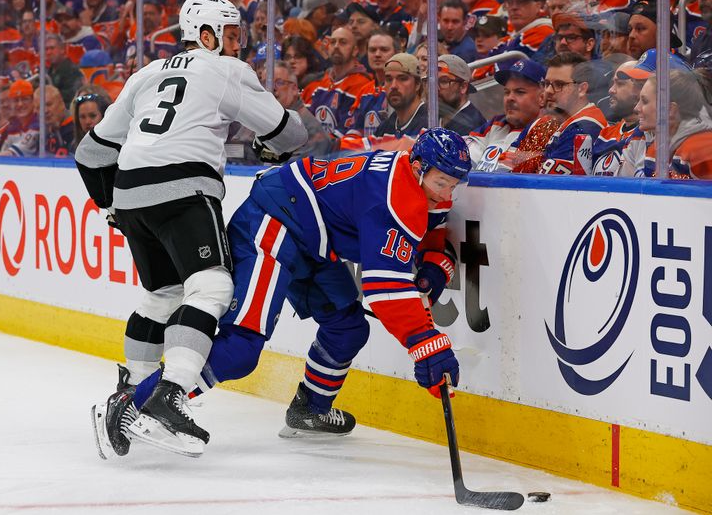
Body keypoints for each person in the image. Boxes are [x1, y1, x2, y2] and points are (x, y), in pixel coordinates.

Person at [95, 128, 468, 455]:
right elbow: (385, 288)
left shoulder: (420, 185)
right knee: (241, 348)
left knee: (348, 327)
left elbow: (429, 231)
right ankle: (135, 402)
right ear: (419, 167)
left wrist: (434, 269)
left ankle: (310, 408)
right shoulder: (395, 194)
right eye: (441, 183)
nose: (446, 193)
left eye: (454, 184)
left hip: (310, 234)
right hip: (275, 222)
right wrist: (427, 345)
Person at [79, 0, 307, 459]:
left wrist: (109, 205)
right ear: (208, 35)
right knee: (211, 290)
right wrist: (277, 143)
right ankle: (168, 399)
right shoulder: (226, 70)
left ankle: (130, 395)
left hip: (130, 192)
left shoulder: (145, 74)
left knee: (161, 294)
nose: (238, 45)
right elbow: (289, 133)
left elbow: (91, 154)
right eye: (233, 34)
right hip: (184, 187)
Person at [467, 59, 546, 172]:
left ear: (542, 98)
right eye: (506, 92)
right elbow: (463, 163)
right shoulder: (495, 124)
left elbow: (506, 180)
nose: (510, 98)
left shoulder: (546, 133)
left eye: (520, 92)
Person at [538, 52, 607, 175]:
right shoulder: (553, 121)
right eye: (547, 84)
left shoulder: (586, 127)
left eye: (559, 84)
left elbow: (548, 185)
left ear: (582, 89)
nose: (548, 91)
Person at [437, 55, 485, 135]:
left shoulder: (470, 127)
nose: (435, 88)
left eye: (444, 81)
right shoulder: (437, 116)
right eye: (431, 82)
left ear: (463, 87)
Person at [71, 86, 111, 152]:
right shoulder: (73, 147)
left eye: (92, 116)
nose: (87, 122)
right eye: (82, 117)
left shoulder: (120, 145)